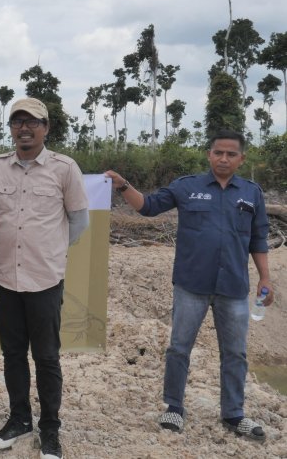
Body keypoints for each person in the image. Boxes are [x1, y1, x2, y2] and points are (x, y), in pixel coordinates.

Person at [105, 129, 273, 441]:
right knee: (179, 348)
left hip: (234, 288)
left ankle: (234, 414)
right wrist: (124, 186)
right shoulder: (187, 187)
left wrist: (265, 277)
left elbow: (259, 238)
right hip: (190, 285)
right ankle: (173, 407)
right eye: (218, 153)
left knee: (235, 353)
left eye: (231, 154)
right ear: (209, 154)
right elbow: (148, 206)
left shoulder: (252, 193)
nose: (223, 158)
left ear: (241, 158)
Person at [0, 97, 89, 459]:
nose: (24, 128)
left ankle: (50, 428)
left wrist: (49, 250)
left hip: (45, 280)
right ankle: (19, 418)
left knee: (47, 357)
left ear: (46, 128)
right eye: (17, 122)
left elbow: (79, 223)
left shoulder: (65, 169)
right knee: (12, 353)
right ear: (10, 128)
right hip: (6, 277)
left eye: (32, 122)